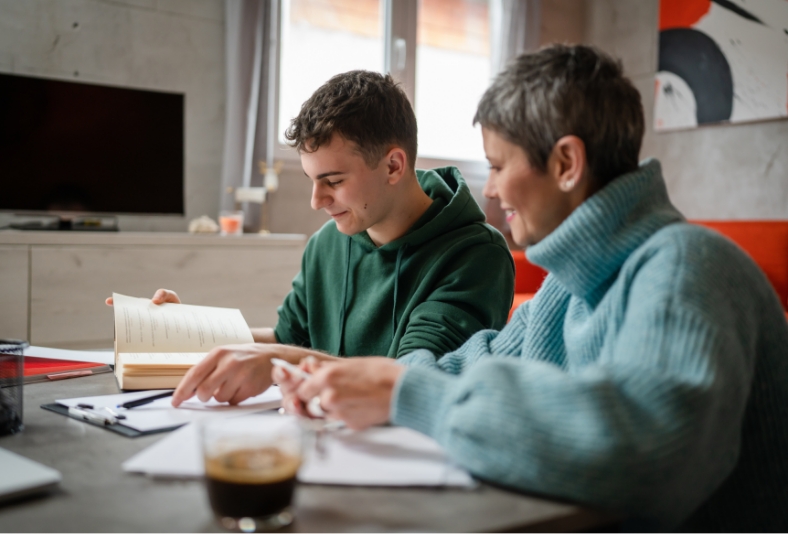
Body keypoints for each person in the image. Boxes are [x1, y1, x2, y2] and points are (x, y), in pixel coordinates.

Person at [275, 45, 788, 531]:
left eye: (498, 166)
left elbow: (643, 457)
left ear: (566, 164)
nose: (491, 189)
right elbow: (479, 359)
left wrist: (403, 392)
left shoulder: (684, 265)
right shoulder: (569, 285)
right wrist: (367, 383)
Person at [108, 70, 515, 407]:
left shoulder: (476, 255)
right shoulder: (327, 242)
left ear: (393, 165)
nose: (316, 201)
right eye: (311, 180)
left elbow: (407, 381)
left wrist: (277, 361)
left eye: (333, 181)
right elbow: (288, 340)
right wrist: (191, 330)